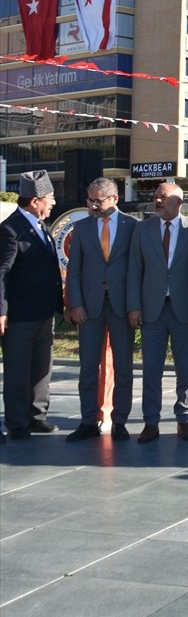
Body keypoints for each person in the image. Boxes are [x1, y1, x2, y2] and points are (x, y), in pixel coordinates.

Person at [126, 182, 188, 443]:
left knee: (185, 369)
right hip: (152, 311)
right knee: (151, 369)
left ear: (179, 202)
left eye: (164, 197)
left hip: (184, 310)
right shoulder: (142, 229)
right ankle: (151, 422)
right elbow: (135, 270)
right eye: (156, 196)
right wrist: (134, 306)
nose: (157, 201)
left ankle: (184, 419)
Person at [64, 177, 138, 442]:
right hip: (90, 307)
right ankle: (87, 421)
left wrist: (134, 306)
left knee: (123, 367)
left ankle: (119, 421)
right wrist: (75, 304)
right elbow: (74, 271)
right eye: (90, 200)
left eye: (98, 201)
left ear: (115, 199)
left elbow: (137, 269)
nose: (93, 206)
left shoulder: (132, 227)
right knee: (88, 367)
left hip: (121, 307)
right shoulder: (81, 227)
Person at [0, 170, 62, 442]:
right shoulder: (10, 229)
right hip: (20, 315)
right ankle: (16, 423)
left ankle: (36, 417)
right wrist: (1, 310)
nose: (53, 203)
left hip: (43, 313)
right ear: (35, 200)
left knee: (41, 368)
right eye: (50, 198)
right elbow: (3, 272)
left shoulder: (42, 227)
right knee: (17, 370)